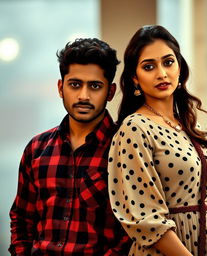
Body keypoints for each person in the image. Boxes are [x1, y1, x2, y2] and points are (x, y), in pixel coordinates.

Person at [108, 25, 207, 256]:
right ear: (135, 78)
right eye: (149, 67)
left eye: (168, 62)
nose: (161, 73)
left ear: (179, 67)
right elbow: (146, 218)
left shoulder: (187, 125)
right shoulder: (134, 128)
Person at [9, 38, 131, 255]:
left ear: (110, 92)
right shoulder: (36, 149)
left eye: (95, 86)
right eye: (75, 84)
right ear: (60, 87)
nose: (84, 96)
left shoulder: (125, 150)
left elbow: (131, 231)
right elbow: (21, 219)